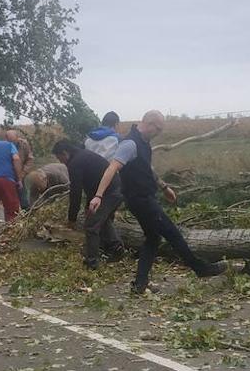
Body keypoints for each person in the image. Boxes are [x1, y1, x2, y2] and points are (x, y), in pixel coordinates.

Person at [89, 110, 226, 293]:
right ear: (149, 124)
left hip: (145, 198)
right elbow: (112, 168)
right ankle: (200, 268)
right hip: (140, 200)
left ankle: (140, 283)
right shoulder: (130, 144)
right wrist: (98, 195)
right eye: (158, 129)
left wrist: (164, 187)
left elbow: (148, 169)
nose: (158, 133)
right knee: (172, 233)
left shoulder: (144, 144)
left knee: (153, 239)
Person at [53, 139, 125, 269]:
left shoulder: (75, 163)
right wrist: (88, 206)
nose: (60, 162)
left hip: (109, 192)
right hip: (116, 188)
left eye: (60, 158)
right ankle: (116, 248)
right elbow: (91, 183)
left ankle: (91, 262)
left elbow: (76, 192)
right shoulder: (83, 155)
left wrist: (72, 219)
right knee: (103, 220)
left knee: (91, 225)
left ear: (65, 153)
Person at [5, 129, 34, 209]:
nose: (12, 143)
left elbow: (30, 159)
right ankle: (12, 217)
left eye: (14, 141)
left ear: (17, 137)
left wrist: (23, 172)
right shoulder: (4, 146)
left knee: (23, 199)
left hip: (21, 173)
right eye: (10, 141)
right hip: (9, 175)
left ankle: (27, 216)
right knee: (10, 200)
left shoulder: (24, 144)